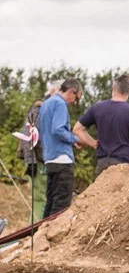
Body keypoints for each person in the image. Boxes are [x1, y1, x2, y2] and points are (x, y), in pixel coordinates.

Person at [38, 78, 97, 217]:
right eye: (76, 99)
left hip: (50, 158)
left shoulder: (46, 104)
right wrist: (75, 139)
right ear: (71, 92)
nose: (74, 103)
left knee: (51, 202)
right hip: (62, 159)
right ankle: (54, 236)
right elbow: (58, 129)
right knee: (61, 205)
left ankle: (42, 235)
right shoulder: (60, 104)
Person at [74, 74, 129, 178]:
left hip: (102, 163)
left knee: (101, 193)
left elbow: (77, 129)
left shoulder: (97, 108)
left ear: (113, 88)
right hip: (122, 165)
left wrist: (93, 143)